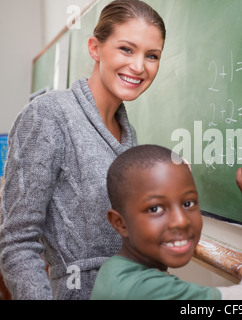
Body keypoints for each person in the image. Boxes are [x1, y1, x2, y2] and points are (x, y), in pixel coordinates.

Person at [0, 0, 166, 300]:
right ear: (95, 48)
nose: (139, 66)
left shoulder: (129, 137)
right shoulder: (48, 115)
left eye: (151, 55)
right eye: (126, 49)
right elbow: (16, 242)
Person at [91, 144, 242, 300]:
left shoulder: (113, 271)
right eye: (155, 209)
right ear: (120, 223)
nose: (180, 221)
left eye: (188, 203)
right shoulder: (146, 291)